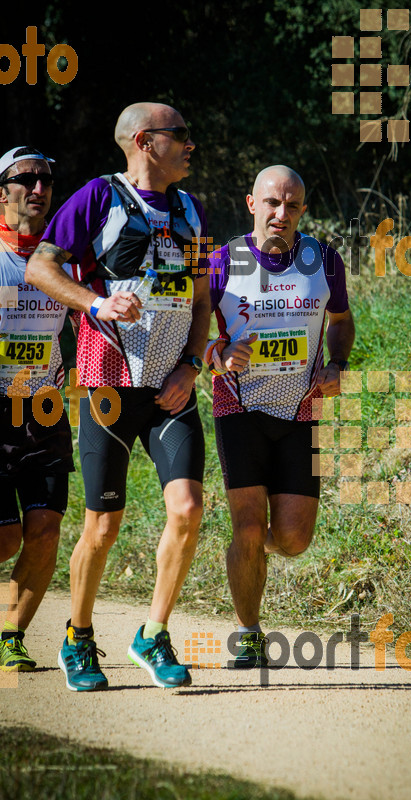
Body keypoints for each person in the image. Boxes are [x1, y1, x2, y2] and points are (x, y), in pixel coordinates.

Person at [26, 102, 210, 691]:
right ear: (143, 141)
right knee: (103, 527)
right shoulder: (97, 198)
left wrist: (191, 366)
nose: (190, 144)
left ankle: (152, 634)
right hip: (107, 384)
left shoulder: (191, 209)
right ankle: (78, 638)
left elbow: (202, 300)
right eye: (179, 135)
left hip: (171, 387)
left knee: (188, 509)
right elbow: (39, 268)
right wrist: (96, 303)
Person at [205, 165, 354, 666]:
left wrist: (338, 364)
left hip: (300, 408)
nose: (280, 213)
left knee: (292, 539)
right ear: (252, 204)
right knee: (249, 528)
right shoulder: (222, 261)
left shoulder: (323, 260)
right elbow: (194, 331)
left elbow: (342, 320)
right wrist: (217, 352)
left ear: (303, 210)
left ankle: (245, 557)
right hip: (238, 405)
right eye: (271, 203)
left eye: (291, 205)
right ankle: (249, 633)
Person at [0, 146, 75, 672]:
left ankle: (10, 636)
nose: (39, 188)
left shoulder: (61, 257)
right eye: (26, 179)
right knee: (4, 536)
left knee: (45, 530)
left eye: (46, 179)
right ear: (1, 190)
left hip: (46, 409)